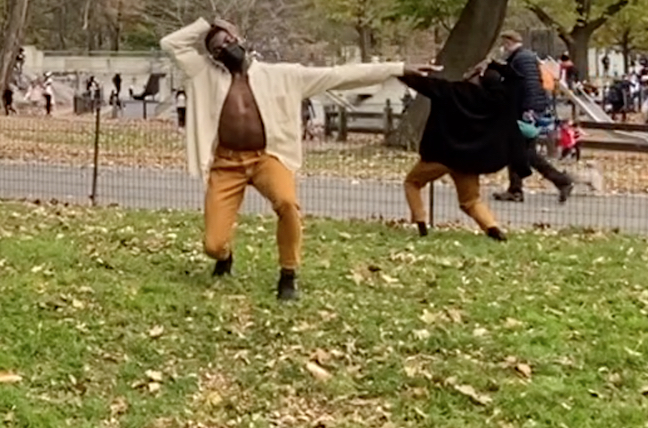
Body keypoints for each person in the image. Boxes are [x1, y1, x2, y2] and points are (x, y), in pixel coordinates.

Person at [161, 17, 405, 299]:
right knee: (212, 245)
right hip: (226, 163)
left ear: (239, 37)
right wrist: (207, 24)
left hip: (267, 156)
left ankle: (288, 274)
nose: (226, 48)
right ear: (213, 56)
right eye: (218, 48)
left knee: (288, 203)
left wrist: (398, 69)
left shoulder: (282, 75)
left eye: (229, 40)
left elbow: (340, 74)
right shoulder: (204, 75)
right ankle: (225, 257)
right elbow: (170, 43)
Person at [397, 63, 519, 240]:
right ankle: (493, 229)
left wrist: (397, 70)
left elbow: (421, 83)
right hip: (468, 161)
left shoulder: (451, 91)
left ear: (477, 77)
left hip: (440, 155)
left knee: (412, 183)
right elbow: (516, 77)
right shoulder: (500, 100)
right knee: (471, 201)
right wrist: (495, 65)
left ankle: (421, 223)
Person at [495, 31, 575, 203]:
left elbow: (529, 84)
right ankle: (515, 190)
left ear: (509, 42)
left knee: (527, 153)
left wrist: (528, 109)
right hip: (524, 109)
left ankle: (562, 181)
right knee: (517, 150)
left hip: (525, 110)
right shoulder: (523, 57)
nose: (503, 47)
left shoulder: (521, 59)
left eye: (504, 43)